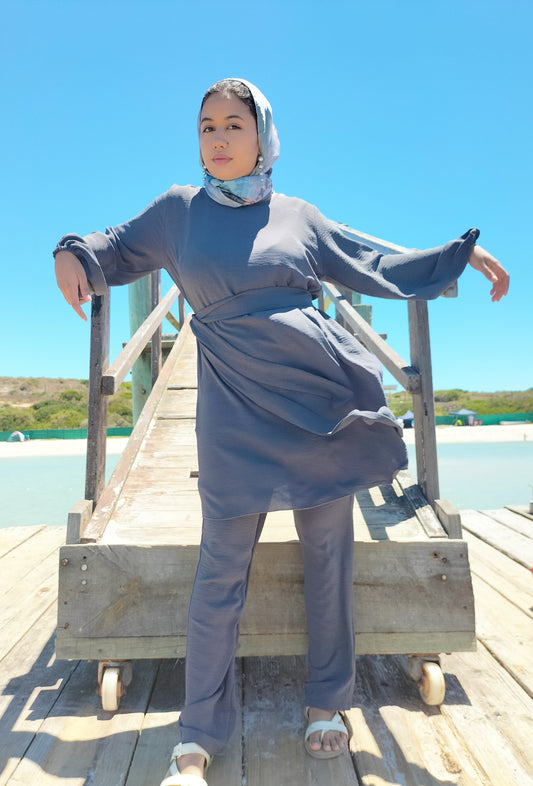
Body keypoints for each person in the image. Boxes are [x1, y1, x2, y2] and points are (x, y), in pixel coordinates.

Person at [54, 78, 509, 786]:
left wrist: (454, 257)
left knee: (328, 556)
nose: (218, 138)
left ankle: (327, 704)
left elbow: (372, 263)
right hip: (233, 409)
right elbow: (111, 247)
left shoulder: (298, 216)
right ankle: (199, 733)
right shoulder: (178, 212)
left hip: (316, 400)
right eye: (207, 127)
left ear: (263, 137)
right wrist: (71, 251)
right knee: (218, 571)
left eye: (234, 125)